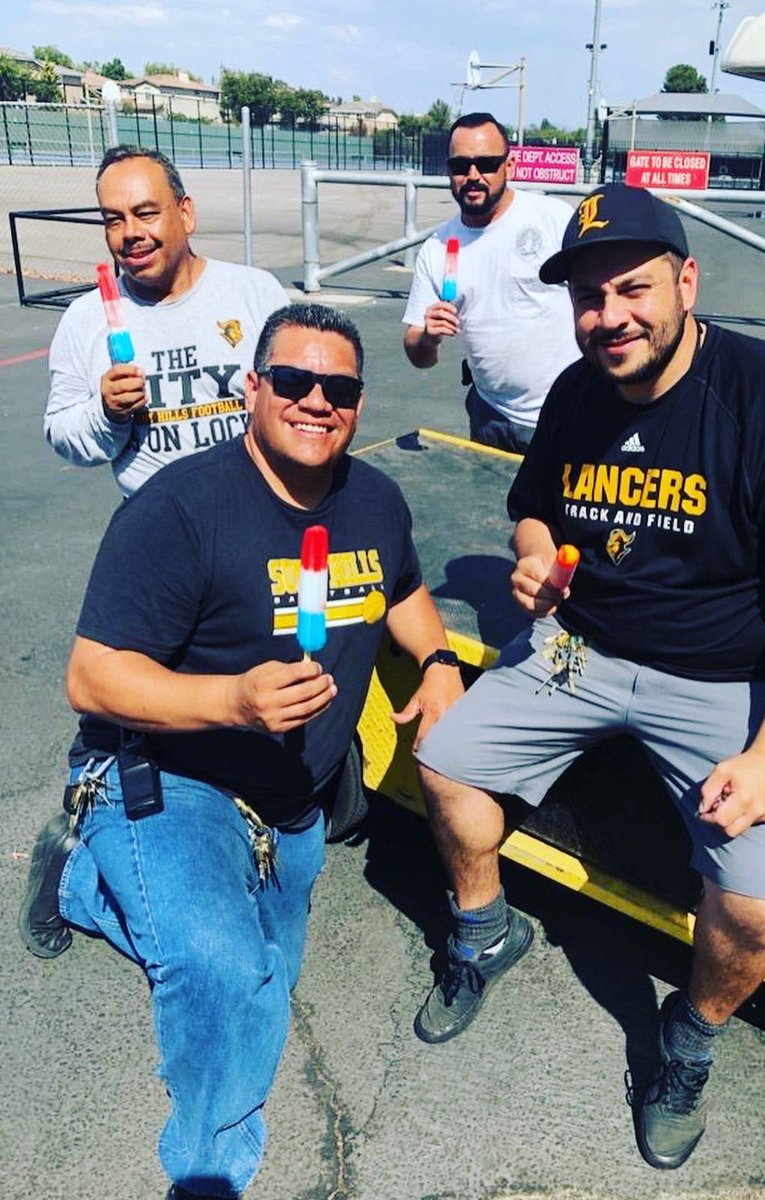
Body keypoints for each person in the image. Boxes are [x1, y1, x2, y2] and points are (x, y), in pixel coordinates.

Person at [411, 186, 765, 1170]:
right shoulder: (579, 392)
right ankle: (484, 930)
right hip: (584, 649)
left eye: (632, 288)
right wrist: (536, 557)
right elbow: (533, 509)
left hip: (722, 677)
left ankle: (689, 1043)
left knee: (753, 906)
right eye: (587, 296)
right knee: (444, 762)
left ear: (686, 283)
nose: (609, 315)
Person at [19, 304, 464, 1200]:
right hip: (168, 774)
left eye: (337, 389)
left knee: (269, 975)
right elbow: (92, 678)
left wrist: (440, 656)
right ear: (252, 388)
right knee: (226, 975)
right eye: (292, 382)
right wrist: (228, 699)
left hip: (292, 801)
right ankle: (209, 1171)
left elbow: (404, 586)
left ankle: (75, 883)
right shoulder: (180, 508)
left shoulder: (373, 499)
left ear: (358, 402)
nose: (315, 402)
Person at [44, 145, 289, 496]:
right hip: (154, 525)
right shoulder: (85, 317)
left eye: (145, 213)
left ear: (185, 214)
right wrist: (108, 412)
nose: (130, 232)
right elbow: (62, 432)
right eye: (114, 220)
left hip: (253, 509)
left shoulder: (256, 293)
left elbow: (297, 403)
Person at [402, 112, 580, 453]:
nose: (472, 176)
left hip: (565, 414)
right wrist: (427, 335)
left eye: (485, 163)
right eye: (460, 166)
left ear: (508, 165)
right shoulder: (438, 248)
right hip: (489, 415)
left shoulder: (553, 220)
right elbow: (419, 355)